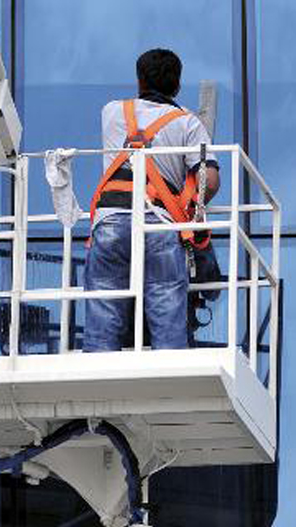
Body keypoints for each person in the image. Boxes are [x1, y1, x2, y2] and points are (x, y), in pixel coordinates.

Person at [84, 48, 220, 352]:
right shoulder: (187, 123)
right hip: (159, 226)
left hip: (110, 222)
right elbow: (208, 181)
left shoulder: (112, 112)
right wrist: (191, 209)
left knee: (103, 320)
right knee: (167, 316)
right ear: (178, 85)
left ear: (139, 80)